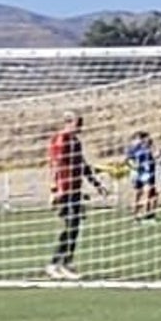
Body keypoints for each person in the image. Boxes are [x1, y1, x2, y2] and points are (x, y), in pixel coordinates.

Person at [47, 111, 108, 280]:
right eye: (78, 122)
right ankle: (55, 264)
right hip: (64, 190)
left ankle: (65, 263)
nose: (81, 126)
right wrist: (54, 189)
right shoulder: (61, 140)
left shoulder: (75, 142)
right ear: (68, 122)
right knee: (70, 225)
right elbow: (55, 165)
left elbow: (82, 165)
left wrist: (96, 184)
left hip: (75, 189)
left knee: (75, 226)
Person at [125, 130, 157, 222]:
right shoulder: (136, 147)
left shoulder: (146, 148)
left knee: (144, 193)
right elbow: (128, 160)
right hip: (140, 173)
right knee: (140, 194)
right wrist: (135, 166)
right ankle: (139, 215)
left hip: (143, 173)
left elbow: (154, 157)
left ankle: (140, 215)